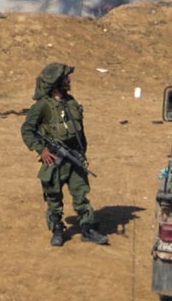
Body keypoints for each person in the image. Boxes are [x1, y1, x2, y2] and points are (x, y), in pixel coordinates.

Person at [20, 62, 108, 247]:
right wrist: (41, 150)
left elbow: (79, 130)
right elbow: (27, 129)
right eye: (65, 78)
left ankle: (87, 228)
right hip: (54, 159)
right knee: (53, 197)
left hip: (74, 157)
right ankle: (57, 229)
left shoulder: (71, 102)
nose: (69, 80)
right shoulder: (42, 106)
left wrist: (82, 153)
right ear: (56, 83)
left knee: (81, 194)